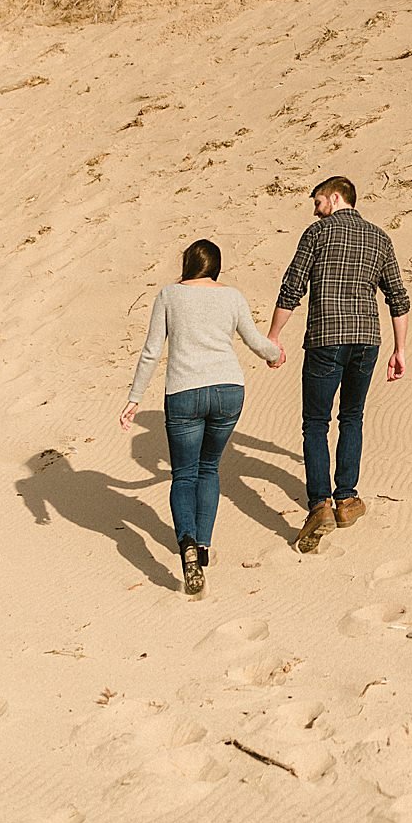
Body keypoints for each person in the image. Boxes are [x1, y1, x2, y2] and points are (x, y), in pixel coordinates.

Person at [120, 237, 282, 596]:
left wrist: (134, 398)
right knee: (209, 468)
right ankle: (203, 546)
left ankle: (187, 544)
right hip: (228, 390)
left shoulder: (168, 295)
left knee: (184, 474)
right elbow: (255, 340)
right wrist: (274, 354)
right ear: (217, 266)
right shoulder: (232, 296)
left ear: (188, 264)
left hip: (184, 392)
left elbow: (151, 352)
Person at [268, 176, 411, 553]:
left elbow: (292, 286)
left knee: (316, 422)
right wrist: (400, 349)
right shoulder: (380, 237)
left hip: (326, 337)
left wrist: (273, 335)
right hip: (367, 341)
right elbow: (398, 298)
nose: (314, 209)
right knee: (352, 417)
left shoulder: (317, 234)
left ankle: (320, 504)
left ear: (334, 197)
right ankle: (347, 498)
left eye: (317, 201)